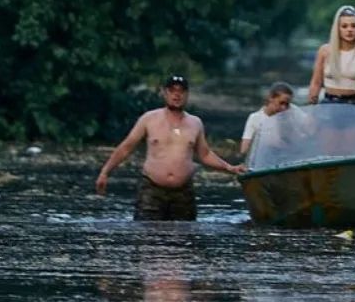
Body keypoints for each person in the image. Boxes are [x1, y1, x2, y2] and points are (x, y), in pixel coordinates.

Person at [95, 75, 245, 221]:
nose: (176, 95)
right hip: (152, 189)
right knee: (147, 236)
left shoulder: (195, 123)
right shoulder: (149, 119)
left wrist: (229, 168)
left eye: (181, 91)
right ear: (165, 93)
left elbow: (204, 154)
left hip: (183, 192)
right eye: (172, 91)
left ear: (187, 94)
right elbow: (126, 147)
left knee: (184, 238)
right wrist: (105, 172)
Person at [307, 5, 355, 106]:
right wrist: (312, 102)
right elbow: (316, 82)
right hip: (329, 104)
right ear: (338, 29)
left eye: (353, 26)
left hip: (354, 104)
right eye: (344, 26)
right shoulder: (325, 51)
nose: (349, 30)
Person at [239, 82, 294, 164]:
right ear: (271, 98)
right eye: (281, 103)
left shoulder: (291, 114)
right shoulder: (255, 118)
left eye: (287, 104)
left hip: (285, 161)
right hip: (261, 163)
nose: (284, 108)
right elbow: (244, 149)